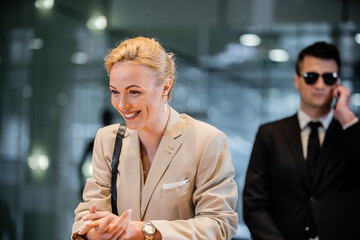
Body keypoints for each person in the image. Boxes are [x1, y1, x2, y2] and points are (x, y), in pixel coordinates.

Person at [72, 37, 238, 240]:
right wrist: (102, 230)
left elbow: (219, 225)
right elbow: (85, 220)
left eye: (134, 92)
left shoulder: (207, 141)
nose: (122, 104)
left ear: (165, 87)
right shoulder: (107, 140)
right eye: (115, 92)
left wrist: (143, 230)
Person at [243, 41, 360, 240]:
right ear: (297, 80)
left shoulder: (350, 133)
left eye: (329, 78)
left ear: (338, 84)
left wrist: (347, 118)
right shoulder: (270, 134)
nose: (320, 85)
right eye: (311, 77)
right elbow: (254, 204)